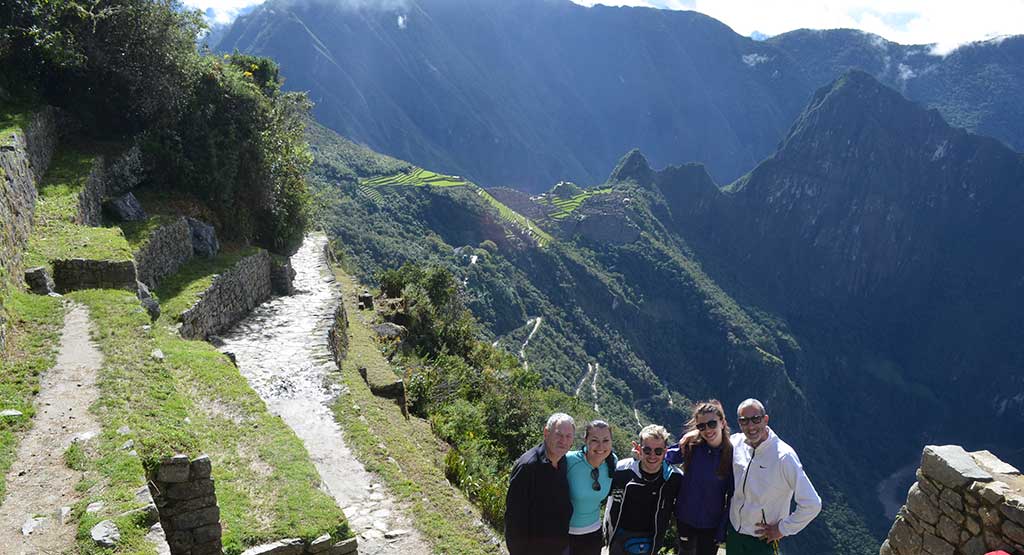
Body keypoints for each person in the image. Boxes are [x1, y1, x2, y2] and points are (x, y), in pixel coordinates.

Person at [727, 398, 821, 554]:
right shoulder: (736, 443)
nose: (751, 426)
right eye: (744, 421)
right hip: (735, 534)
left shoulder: (784, 457)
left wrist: (783, 529)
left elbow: (813, 503)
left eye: (756, 419)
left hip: (763, 540)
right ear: (739, 423)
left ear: (765, 419)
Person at [665, 400, 734, 555]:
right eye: (701, 426)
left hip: (711, 525)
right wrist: (643, 455)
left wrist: (722, 529)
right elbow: (664, 457)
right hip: (685, 519)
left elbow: (732, 496)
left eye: (712, 424)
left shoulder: (732, 456)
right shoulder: (692, 447)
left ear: (722, 423)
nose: (707, 430)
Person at [603, 424, 682, 555]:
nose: (652, 455)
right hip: (619, 538)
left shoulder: (674, 478)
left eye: (658, 451)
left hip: (653, 540)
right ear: (639, 449)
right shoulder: (622, 470)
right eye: (647, 450)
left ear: (665, 451)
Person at [505, 412, 576, 555]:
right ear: (546, 432)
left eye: (568, 436)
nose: (563, 440)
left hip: (561, 546)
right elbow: (513, 519)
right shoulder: (528, 466)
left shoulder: (563, 461)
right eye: (558, 434)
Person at [566, 420, 617, 555]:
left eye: (606, 440)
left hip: (593, 534)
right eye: (594, 440)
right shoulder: (569, 460)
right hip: (564, 534)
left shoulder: (612, 462)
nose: (601, 446)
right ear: (585, 440)